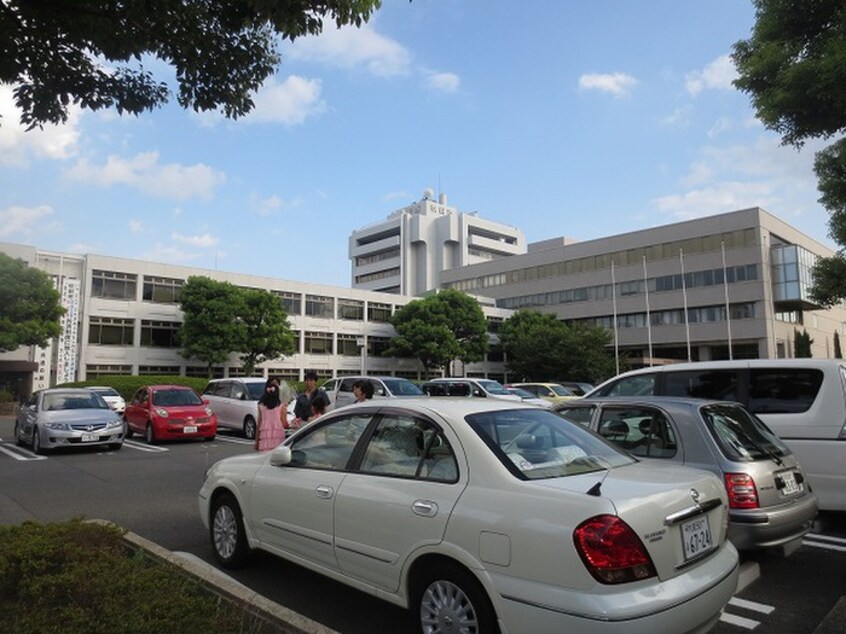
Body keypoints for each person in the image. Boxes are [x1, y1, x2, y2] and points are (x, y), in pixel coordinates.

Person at [255, 377, 285, 451]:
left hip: (264, 436)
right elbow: (284, 423)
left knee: (264, 458)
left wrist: (256, 440)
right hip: (278, 436)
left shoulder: (261, 405)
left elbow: (259, 423)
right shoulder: (281, 406)